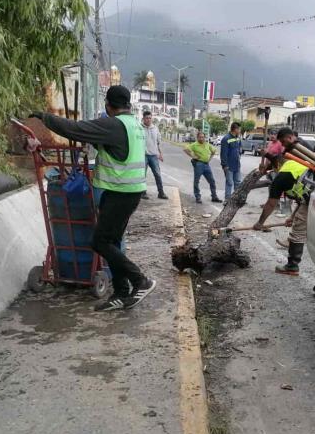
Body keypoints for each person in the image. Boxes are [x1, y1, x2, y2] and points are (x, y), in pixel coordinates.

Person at [29, 85, 157, 311]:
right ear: (127, 104)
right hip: (127, 191)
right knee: (113, 242)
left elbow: (75, 129)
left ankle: (140, 281)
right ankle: (121, 292)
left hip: (120, 193)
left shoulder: (113, 124)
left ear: (108, 106)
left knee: (99, 242)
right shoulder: (133, 124)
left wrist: (45, 118)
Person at [253, 128, 313, 275]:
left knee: (297, 233)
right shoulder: (296, 166)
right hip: (314, 197)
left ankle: (292, 267)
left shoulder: (280, 178)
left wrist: (260, 223)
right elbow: (301, 199)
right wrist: (291, 217)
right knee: (302, 225)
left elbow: (271, 204)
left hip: (314, 199)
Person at [184, 131, 221, 204]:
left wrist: (210, 159)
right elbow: (185, 149)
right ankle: (198, 197)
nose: (202, 138)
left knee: (212, 181)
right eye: (200, 137)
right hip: (199, 164)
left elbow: (213, 151)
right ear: (197, 138)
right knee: (196, 181)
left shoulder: (207, 144)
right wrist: (193, 156)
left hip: (206, 165)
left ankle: (214, 196)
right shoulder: (194, 145)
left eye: (203, 137)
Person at [141, 110, 167, 200]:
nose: (148, 120)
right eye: (146, 118)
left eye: (150, 118)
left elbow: (158, 142)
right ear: (143, 119)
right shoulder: (140, 128)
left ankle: (161, 192)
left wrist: (160, 154)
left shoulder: (155, 129)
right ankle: (143, 193)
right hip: (143, 155)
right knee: (142, 175)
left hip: (153, 156)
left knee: (157, 174)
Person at [220, 122, 243, 200]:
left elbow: (239, 148)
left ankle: (236, 199)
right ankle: (227, 199)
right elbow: (223, 153)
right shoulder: (226, 139)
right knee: (229, 183)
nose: (240, 131)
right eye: (239, 129)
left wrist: (239, 153)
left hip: (237, 164)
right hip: (228, 165)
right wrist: (224, 165)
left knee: (238, 182)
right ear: (235, 129)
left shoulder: (237, 138)